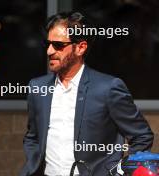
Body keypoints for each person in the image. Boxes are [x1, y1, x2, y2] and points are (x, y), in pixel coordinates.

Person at [20, 12, 154, 176]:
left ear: (81, 47)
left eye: (58, 45)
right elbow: (32, 137)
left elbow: (141, 136)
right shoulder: (37, 87)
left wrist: (120, 172)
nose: (49, 51)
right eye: (48, 44)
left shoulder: (108, 88)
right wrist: (32, 166)